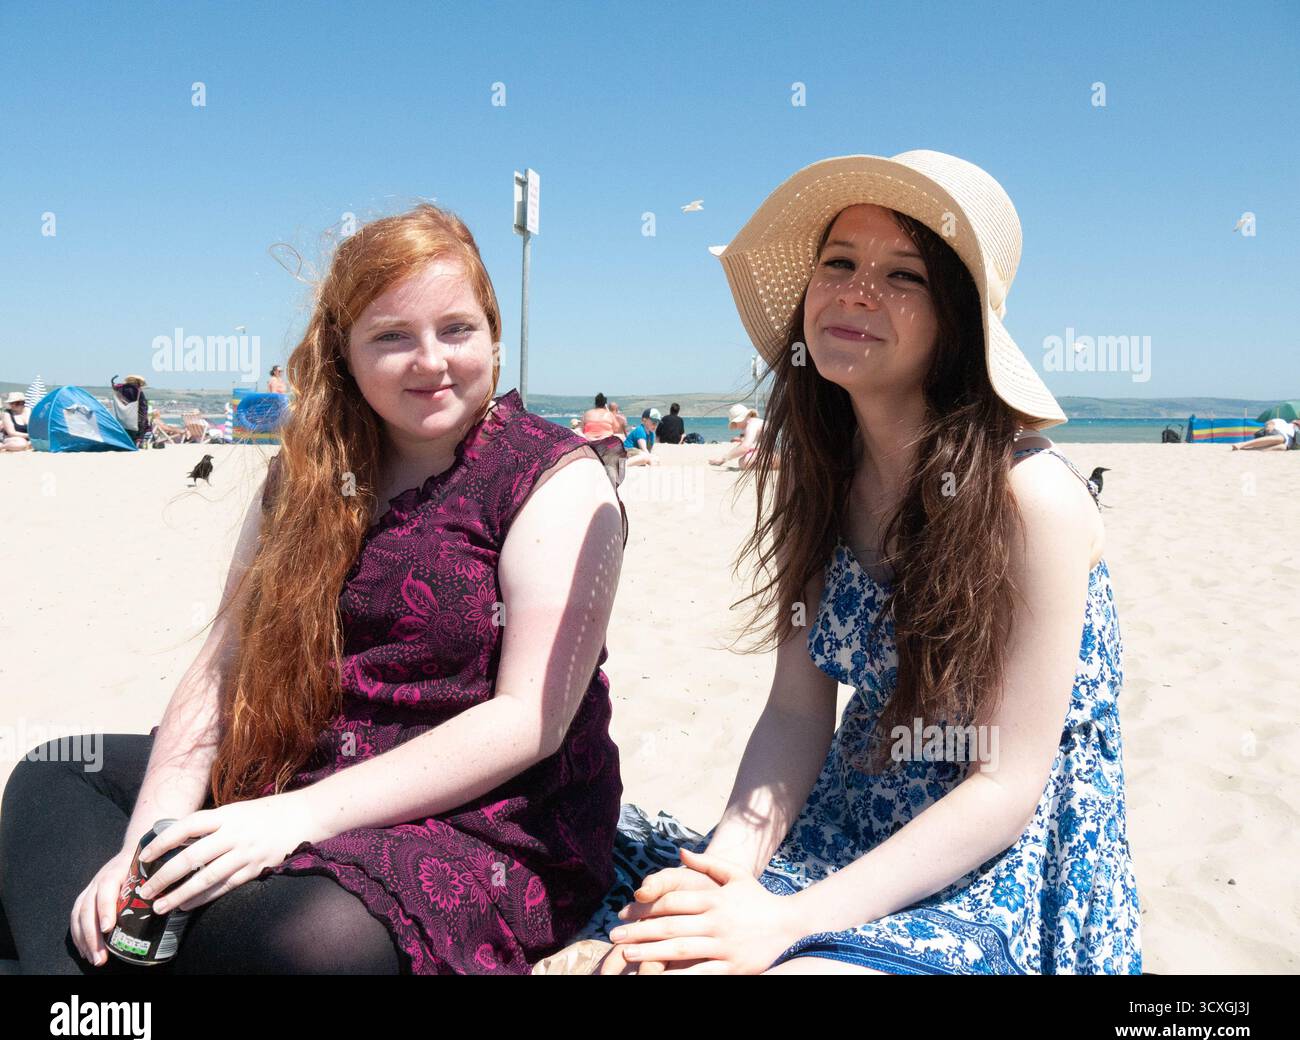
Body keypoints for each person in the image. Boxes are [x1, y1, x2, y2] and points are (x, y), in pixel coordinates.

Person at [0, 202, 630, 975]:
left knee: (306, 940)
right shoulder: (305, 478)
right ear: (345, 352)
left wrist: (291, 819)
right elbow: (223, 660)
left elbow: (526, 719)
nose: (431, 360)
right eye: (392, 335)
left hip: (483, 812)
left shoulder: (551, 478)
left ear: (493, 334)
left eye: (457, 329)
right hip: (301, 763)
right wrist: (144, 848)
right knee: (61, 770)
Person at [595, 150, 1140, 975]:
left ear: (956, 321)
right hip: (846, 812)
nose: (858, 290)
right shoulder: (825, 479)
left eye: (904, 275)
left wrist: (782, 924)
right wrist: (725, 872)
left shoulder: (1033, 499)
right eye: (840, 263)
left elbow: (1005, 787)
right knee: (644, 932)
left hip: (994, 856)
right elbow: (794, 714)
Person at [709, 403, 766, 469]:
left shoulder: (751, 425)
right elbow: (746, 445)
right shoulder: (756, 422)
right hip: (776, 450)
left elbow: (744, 447)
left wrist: (724, 458)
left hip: (778, 453)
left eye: (735, 423)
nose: (736, 427)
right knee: (744, 459)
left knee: (744, 462)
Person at [1231, 417, 1300, 451]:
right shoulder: (1282, 422)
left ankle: (1251, 450)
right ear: (1294, 421)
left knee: (1283, 447)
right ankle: (1242, 444)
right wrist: (1269, 427)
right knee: (1281, 438)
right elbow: (1270, 422)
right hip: (1275, 433)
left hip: (1285, 442)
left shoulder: (1295, 435)